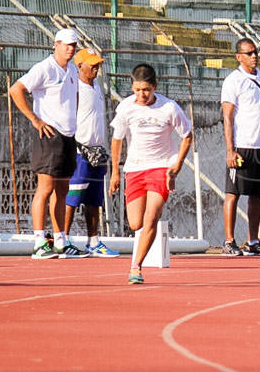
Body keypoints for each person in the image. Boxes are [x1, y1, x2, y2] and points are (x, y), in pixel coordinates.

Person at [109, 64, 194, 284]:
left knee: (151, 216)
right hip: (135, 168)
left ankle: (136, 266)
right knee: (136, 222)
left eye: (146, 90)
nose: (141, 95)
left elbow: (187, 135)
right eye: (137, 90)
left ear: (154, 87)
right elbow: (117, 139)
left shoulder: (169, 108)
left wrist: (176, 166)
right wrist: (115, 173)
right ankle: (137, 258)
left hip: (161, 167)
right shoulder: (126, 107)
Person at [9, 28, 82, 259]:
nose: (70, 49)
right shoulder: (44, 67)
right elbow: (16, 89)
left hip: (68, 136)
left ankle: (60, 240)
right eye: (66, 44)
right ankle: (40, 241)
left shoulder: (72, 69)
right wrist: (35, 120)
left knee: (62, 190)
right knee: (45, 188)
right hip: (50, 135)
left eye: (73, 45)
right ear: (56, 45)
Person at [221, 38, 260, 257]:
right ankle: (229, 241)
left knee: (258, 194)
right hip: (241, 146)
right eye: (249, 53)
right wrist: (230, 149)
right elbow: (227, 116)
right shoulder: (233, 80)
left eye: (256, 53)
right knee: (233, 193)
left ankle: (253, 241)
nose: (254, 56)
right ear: (239, 57)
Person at [62, 47, 119, 258]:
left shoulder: (96, 87)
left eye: (97, 64)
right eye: (92, 64)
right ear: (80, 66)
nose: (96, 68)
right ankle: (63, 240)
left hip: (98, 151)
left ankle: (93, 241)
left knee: (94, 199)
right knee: (73, 197)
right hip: (80, 151)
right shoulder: (75, 87)